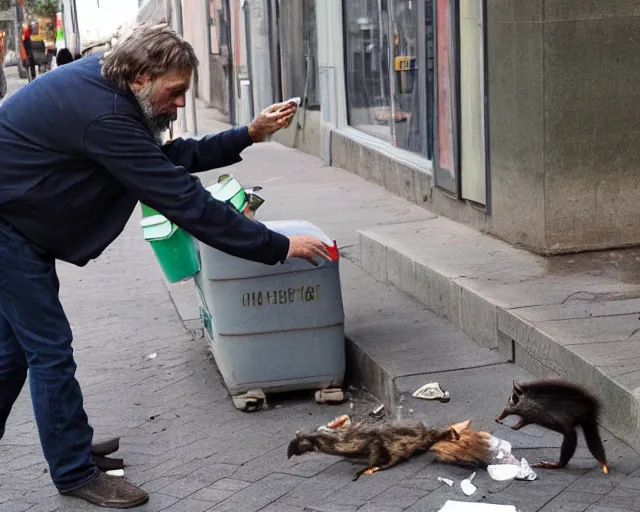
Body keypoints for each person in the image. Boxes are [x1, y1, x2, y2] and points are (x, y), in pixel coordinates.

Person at [0, 23, 331, 509]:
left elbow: (164, 157)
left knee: (13, 351)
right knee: (49, 350)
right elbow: (180, 197)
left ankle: (66, 441)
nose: (180, 104)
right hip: (9, 228)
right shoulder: (106, 115)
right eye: (175, 93)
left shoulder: (109, 85)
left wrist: (249, 134)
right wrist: (276, 246)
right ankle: (73, 471)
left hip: (19, 220)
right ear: (140, 77)